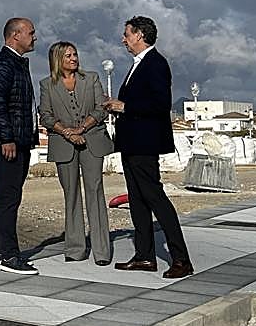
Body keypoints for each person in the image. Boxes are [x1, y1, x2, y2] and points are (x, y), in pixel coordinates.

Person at [103, 16, 194, 278]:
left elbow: (160, 104)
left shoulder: (155, 63)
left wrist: (125, 106)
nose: (123, 39)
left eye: (127, 34)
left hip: (145, 143)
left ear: (140, 35)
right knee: (137, 200)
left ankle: (181, 258)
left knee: (155, 198)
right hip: (131, 143)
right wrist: (116, 106)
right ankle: (144, 255)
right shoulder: (137, 64)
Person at [38, 42, 114, 266]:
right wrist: (68, 134)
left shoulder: (91, 78)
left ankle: (102, 251)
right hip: (63, 144)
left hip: (92, 141)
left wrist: (81, 128)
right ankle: (75, 248)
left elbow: (101, 108)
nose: (74, 58)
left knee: (95, 191)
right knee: (70, 194)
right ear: (57, 59)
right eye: (68, 55)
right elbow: (46, 116)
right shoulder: (46, 85)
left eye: (75, 54)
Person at [0, 17, 40, 275]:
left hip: (16, 140)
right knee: (9, 197)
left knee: (5, 195)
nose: (34, 37)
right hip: (5, 142)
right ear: (16, 35)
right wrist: (7, 138)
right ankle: (10, 256)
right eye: (31, 33)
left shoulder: (16, 63)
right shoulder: (3, 63)